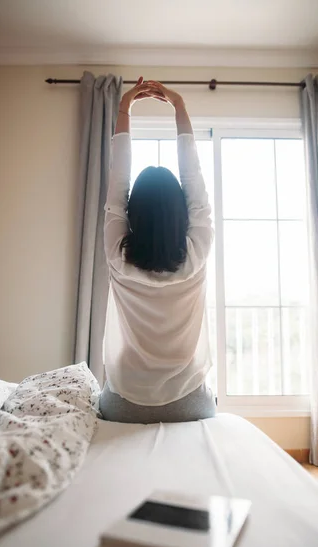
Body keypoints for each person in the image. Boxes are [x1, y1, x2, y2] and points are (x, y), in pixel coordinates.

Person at [99, 77, 215, 423]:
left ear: (133, 213)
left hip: (124, 404)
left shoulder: (118, 255)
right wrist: (179, 107)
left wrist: (124, 107)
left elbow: (117, 182)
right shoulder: (197, 252)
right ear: (182, 212)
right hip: (190, 401)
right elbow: (193, 180)